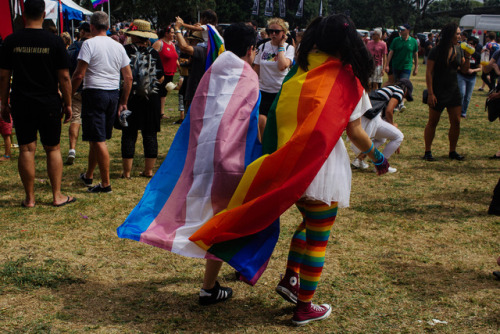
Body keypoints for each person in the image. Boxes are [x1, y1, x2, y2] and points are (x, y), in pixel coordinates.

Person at [117, 22, 262, 306]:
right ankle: (211, 286)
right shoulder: (247, 75)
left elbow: (199, 111)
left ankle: (226, 274)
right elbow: (249, 121)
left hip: (205, 154)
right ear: (250, 49)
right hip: (232, 159)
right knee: (228, 218)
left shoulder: (215, 70)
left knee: (219, 217)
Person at [0, 0, 75, 207]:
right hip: (48, 101)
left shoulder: (11, 41)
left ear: (24, 14)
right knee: (53, 148)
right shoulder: (55, 41)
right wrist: (68, 104)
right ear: (44, 14)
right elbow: (65, 78)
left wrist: (3, 103)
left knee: (26, 149)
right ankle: (57, 196)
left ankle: (30, 198)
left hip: (21, 101)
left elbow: (4, 76)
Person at [71, 11, 133, 193]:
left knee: (98, 140)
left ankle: (105, 184)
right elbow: (128, 78)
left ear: (91, 27)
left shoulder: (88, 44)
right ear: (107, 27)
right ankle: (89, 175)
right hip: (112, 94)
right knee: (97, 138)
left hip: (94, 93)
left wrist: (69, 94)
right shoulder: (118, 46)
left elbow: (79, 74)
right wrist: (123, 101)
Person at [120, 20, 164, 179]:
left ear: (133, 35)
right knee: (150, 134)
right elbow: (161, 77)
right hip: (151, 98)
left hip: (130, 97)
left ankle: (126, 173)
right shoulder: (154, 52)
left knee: (129, 134)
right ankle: (149, 171)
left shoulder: (124, 50)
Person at [423, 22, 470, 161]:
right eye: (457, 33)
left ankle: (452, 151)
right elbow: (429, 72)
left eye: (460, 33)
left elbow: (465, 70)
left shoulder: (459, 49)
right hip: (437, 91)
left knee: (456, 122)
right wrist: (431, 93)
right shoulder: (436, 50)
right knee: (433, 122)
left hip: (453, 91)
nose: (459, 36)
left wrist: (467, 57)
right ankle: (427, 151)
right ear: (450, 35)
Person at [351, 79, 414, 173]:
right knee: (399, 136)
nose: (404, 98)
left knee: (381, 139)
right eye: (406, 96)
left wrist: (391, 130)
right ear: (406, 90)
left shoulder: (387, 89)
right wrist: (393, 126)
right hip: (371, 118)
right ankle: (381, 165)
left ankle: (359, 159)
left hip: (364, 116)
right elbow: (389, 110)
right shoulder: (399, 91)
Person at [253, 17, 295, 139]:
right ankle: (262, 148)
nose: (273, 34)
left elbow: (282, 65)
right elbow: (257, 68)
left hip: (279, 92)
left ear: (284, 33)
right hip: (263, 90)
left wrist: (281, 46)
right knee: (261, 122)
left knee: (276, 125)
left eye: (277, 31)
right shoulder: (262, 47)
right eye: (270, 31)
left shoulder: (288, 48)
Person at [65, 22, 91, 165]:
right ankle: (93, 149)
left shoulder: (73, 48)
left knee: (75, 119)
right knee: (92, 119)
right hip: (92, 88)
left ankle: (72, 149)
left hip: (75, 87)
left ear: (81, 32)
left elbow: (68, 70)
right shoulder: (95, 46)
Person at [173, 21, 207, 116]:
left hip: (196, 92)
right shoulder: (207, 51)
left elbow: (184, 47)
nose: (190, 43)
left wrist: (177, 30)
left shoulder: (201, 50)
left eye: (192, 41)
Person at [153, 25, 178, 120]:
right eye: (171, 32)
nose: (173, 34)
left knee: (164, 93)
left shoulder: (172, 44)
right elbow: (153, 56)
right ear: (166, 33)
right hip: (161, 73)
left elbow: (175, 58)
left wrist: (179, 67)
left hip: (170, 73)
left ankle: (161, 113)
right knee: (159, 92)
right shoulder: (159, 43)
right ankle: (157, 112)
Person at [457, 37, 481, 118]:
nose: (469, 45)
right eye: (468, 43)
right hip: (461, 76)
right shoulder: (462, 53)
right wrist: (463, 69)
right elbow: (456, 65)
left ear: (475, 45)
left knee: (467, 97)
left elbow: (480, 68)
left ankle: (463, 112)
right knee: (461, 93)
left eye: (471, 44)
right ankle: (458, 110)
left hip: (471, 78)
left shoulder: (477, 55)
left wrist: (473, 70)